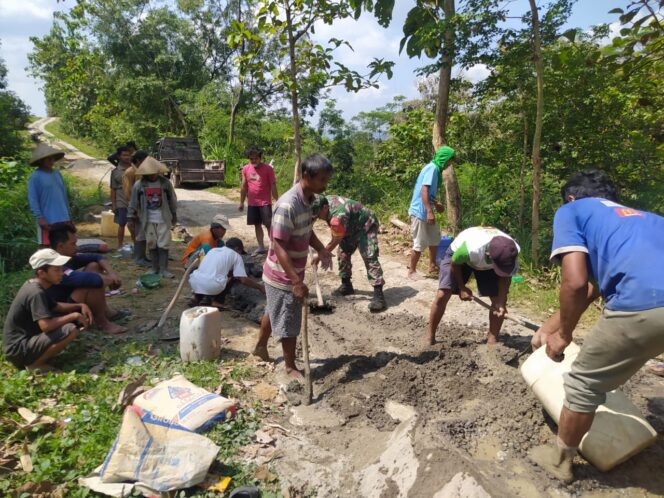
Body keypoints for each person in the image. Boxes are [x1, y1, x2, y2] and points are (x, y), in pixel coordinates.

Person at [528, 169, 664, 483]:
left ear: (572, 197)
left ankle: (560, 462)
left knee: (582, 385)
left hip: (645, 303)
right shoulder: (649, 219)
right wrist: (551, 326)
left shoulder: (572, 210)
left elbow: (574, 283)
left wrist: (563, 336)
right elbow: (593, 287)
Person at [252, 153, 333, 379]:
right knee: (289, 320)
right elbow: (278, 245)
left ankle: (260, 346)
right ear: (306, 176)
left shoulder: (309, 200)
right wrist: (296, 281)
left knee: (273, 309)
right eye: (322, 180)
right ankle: (290, 366)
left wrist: (321, 249)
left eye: (327, 180)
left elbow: (306, 230)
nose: (325, 185)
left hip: (288, 271)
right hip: (282, 275)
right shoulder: (288, 204)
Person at [3, 248, 93, 372]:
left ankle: (36, 356)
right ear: (41, 273)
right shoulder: (36, 292)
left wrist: (80, 305)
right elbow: (46, 326)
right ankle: (35, 364)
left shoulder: (35, 285)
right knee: (70, 329)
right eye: (56, 270)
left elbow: (56, 306)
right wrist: (74, 316)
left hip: (22, 344)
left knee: (64, 321)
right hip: (18, 349)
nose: (61, 273)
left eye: (61, 269)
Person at [427, 226, 520, 345]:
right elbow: (455, 263)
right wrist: (461, 287)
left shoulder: (512, 250)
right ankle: (430, 335)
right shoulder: (472, 249)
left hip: (489, 264)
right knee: (443, 294)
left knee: (498, 301)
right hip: (459, 260)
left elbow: (506, 276)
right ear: (489, 254)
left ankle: (492, 340)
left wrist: (501, 302)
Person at [48, 223, 129, 334]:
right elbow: (93, 280)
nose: (76, 247)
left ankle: (106, 311)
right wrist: (111, 280)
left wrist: (112, 274)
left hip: (71, 300)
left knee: (93, 266)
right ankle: (103, 323)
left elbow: (97, 257)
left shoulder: (66, 256)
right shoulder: (54, 267)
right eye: (73, 244)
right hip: (61, 311)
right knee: (92, 283)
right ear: (61, 246)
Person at [311, 194, 386, 312]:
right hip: (348, 227)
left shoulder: (338, 216)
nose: (316, 217)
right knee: (342, 253)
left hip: (365, 225)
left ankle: (379, 295)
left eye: (317, 213)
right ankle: (346, 285)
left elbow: (336, 239)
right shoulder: (323, 202)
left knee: (369, 255)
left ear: (325, 208)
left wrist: (323, 253)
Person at [407, 146, 455, 279]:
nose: (450, 164)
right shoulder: (432, 168)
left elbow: (429, 193)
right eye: (450, 160)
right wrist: (429, 211)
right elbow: (424, 190)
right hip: (420, 211)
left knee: (435, 238)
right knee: (420, 241)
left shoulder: (436, 170)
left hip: (427, 209)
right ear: (444, 158)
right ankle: (412, 270)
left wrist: (435, 204)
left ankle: (432, 266)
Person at [128, 156, 178, 278]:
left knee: (163, 244)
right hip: (147, 219)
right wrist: (130, 216)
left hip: (163, 218)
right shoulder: (139, 185)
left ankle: (164, 269)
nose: (152, 175)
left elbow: (172, 199)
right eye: (149, 173)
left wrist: (174, 214)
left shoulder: (165, 183)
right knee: (152, 243)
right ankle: (154, 268)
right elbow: (133, 202)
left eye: (154, 173)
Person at [189, 237, 265, 307]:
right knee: (233, 275)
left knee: (206, 273)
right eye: (240, 252)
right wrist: (259, 287)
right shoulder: (236, 255)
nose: (240, 254)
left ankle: (196, 297)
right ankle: (217, 301)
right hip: (213, 287)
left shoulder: (213, 250)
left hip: (194, 284)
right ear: (237, 248)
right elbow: (243, 280)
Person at [27, 143, 71, 247]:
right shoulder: (35, 177)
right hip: (48, 219)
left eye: (52, 159)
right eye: (48, 159)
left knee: (64, 246)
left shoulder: (57, 174)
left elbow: (63, 196)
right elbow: (33, 199)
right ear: (41, 161)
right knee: (47, 247)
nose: (51, 162)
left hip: (63, 217)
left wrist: (68, 214)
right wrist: (40, 217)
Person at [238, 146, 278, 254]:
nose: (254, 161)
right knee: (257, 224)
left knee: (269, 224)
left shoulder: (268, 169)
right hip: (252, 203)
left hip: (265, 202)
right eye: (251, 159)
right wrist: (241, 202)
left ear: (260, 158)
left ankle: (273, 247)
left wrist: (278, 200)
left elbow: (273, 185)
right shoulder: (246, 169)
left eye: (256, 158)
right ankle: (261, 247)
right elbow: (244, 186)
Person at [127, 150, 150, 266]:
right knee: (139, 234)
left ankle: (143, 257)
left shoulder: (143, 172)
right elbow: (129, 193)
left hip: (144, 209)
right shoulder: (130, 172)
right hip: (136, 208)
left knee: (144, 234)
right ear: (139, 161)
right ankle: (139, 258)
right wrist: (132, 212)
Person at [110, 145, 134, 249]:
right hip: (121, 200)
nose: (127, 157)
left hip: (133, 200)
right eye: (124, 155)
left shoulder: (135, 169)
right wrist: (114, 204)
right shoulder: (115, 172)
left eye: (128, 155)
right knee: (122, 224)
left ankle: (137, 245)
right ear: (119, 156)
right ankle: (119, 245)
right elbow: (113, 189)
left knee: (133, 224)